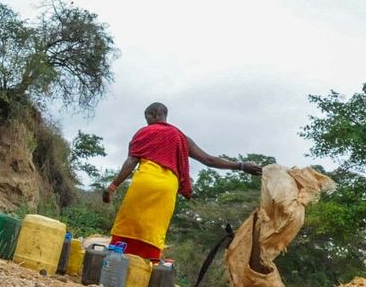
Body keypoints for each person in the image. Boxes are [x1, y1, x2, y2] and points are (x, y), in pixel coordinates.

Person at [100, 102, 262, 261]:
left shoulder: (144, 132)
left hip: (145, 181)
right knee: (155, 228)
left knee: (129, 222)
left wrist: (112, 186)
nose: (147, 122)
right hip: (168, 187)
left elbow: (131, 161)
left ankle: (117, 259)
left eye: (147, 117)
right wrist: (241, 166)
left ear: (154, 115)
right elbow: (208, 160)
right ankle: (148, 264)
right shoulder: (181, 138)